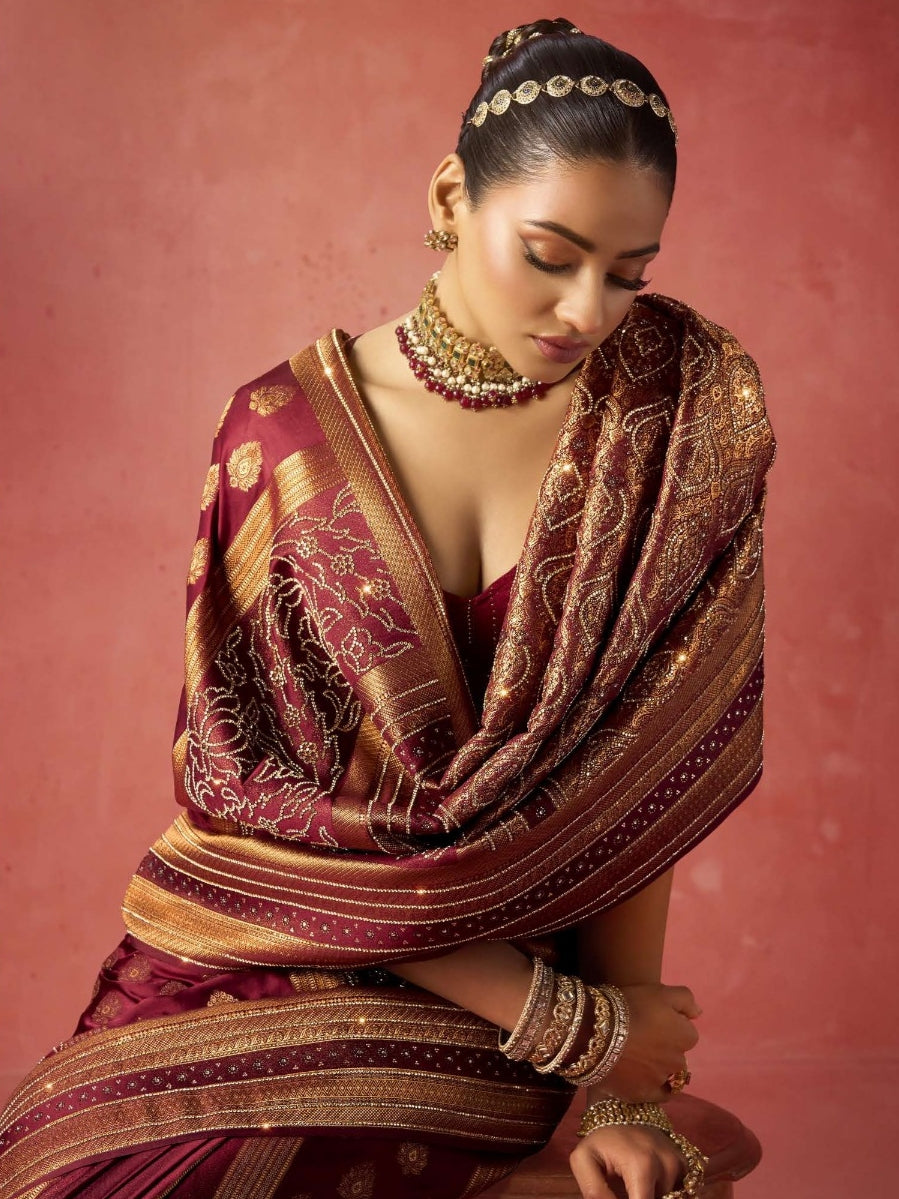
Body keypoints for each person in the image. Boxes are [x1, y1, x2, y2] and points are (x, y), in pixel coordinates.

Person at [0, 17, 776, 1199]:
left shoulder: (669, 426)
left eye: (627, 273)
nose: (585, 312)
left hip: (501, 1027)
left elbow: (636, 784)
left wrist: (615, 1081)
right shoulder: (280, 435)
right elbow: (245, 814)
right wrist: (568, 1020)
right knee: (85, 1172)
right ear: (451, 196)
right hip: (278, 951)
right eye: (550, 253)